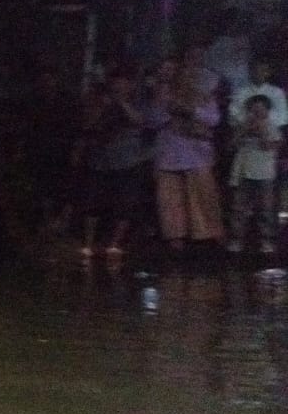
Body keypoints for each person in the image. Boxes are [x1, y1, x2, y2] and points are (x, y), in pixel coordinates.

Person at [74, 68, 150, 260]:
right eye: (117, 81)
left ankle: (114, 244)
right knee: (93, 203)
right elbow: (88, 125)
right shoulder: (99, 100)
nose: (120, 85)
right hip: (101, 160)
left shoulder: (138, 102)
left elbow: (140, 121)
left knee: (125, 204)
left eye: (124, 81)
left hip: (128, 161)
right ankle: (88, 243)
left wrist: (121, 103)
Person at [153, 50, 224, 252]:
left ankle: (208, 236)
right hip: (169, 153)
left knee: (203, 196)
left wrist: (190, 111)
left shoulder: (202, 96)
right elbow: (153, 120)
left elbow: (214, 119)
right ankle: (176, 238)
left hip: (197, 154)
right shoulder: (164, 95)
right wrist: (170, 112)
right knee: (170, 198)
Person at [228, 93, 282, 254]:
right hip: (244, 173)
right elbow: (231, 146)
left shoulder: (272, 127)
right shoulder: (242, 126)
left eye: (261, 109)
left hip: (265, 175)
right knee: (239, 210)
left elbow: (270, 147)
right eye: (254, 109)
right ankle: (236, 240)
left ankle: (267, 241)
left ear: (267, 110)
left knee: (266, 210)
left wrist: (260, 131)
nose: (257, 112)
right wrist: (244, 130)